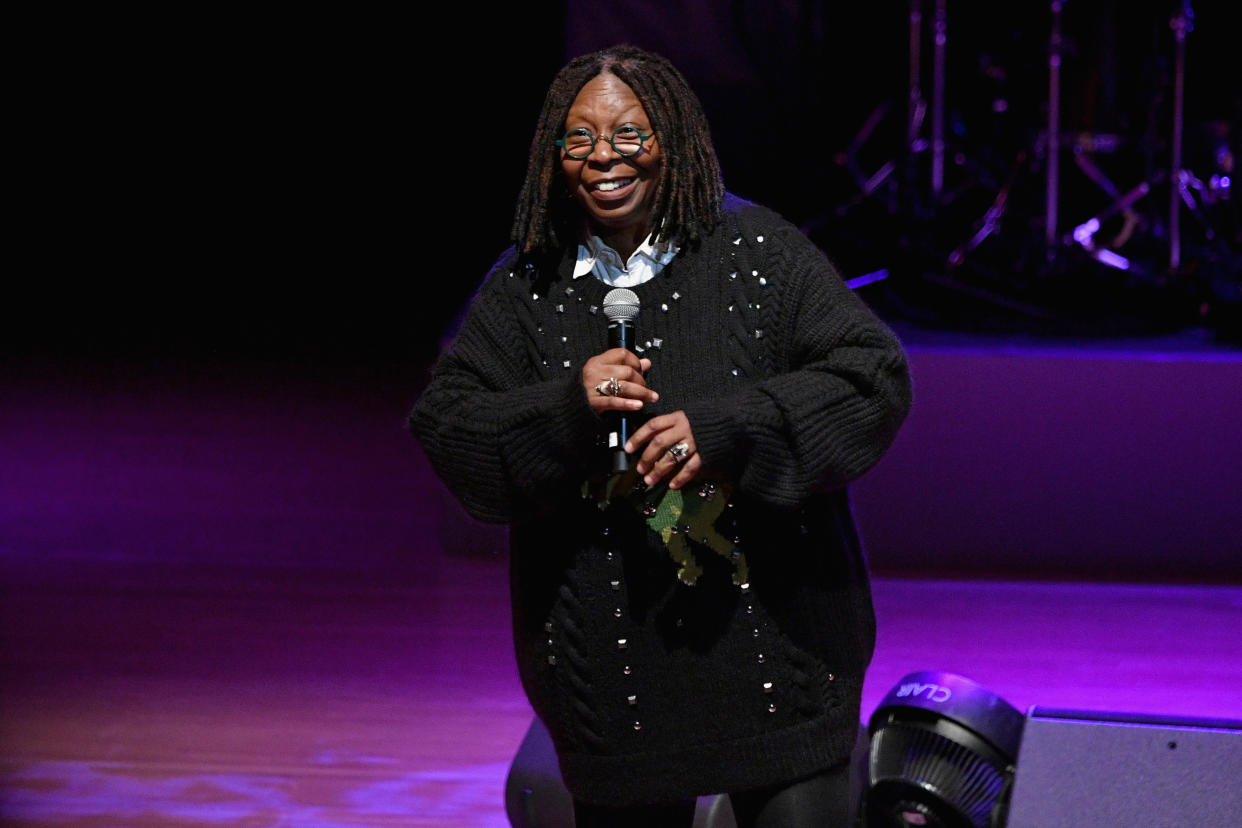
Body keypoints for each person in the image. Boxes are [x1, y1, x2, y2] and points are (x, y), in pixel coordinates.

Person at [411, 44, 912, 827]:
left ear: (672, 141)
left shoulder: (758, 254)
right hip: (619, 691)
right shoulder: (528, 284)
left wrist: (732, 429)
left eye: (628, 136)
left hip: (776, 667)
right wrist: (568, 411)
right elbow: (450, 427)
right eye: (579, 139)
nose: (603, 159)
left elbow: (873, 375)